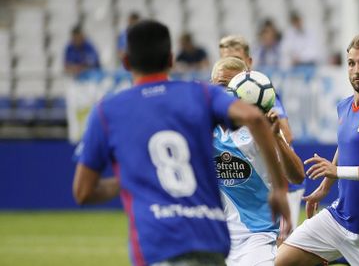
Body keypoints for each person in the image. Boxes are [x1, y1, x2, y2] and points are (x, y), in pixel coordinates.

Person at [72, 20, 291, 266]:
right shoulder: (201, 95)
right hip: (208, 237)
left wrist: (135, 178)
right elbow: (254, 118)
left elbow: (83, 192)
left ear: (125, 61)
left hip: (156, 243)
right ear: (171, 59)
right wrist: (280, 191)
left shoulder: (107, 111)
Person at [275, 34, 359, 266]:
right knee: (281, 261)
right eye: (351, 63)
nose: (357, 69)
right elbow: (345, 146)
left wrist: (337, 173)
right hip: (340, 218)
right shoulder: (345, 106)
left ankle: (341, 258)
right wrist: (325, 187)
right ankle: (337, 255)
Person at [210, 57, 304, 266]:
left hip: (257, 235)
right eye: (220, 86)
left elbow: (297, 176)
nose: (226, 92)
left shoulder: (262, 128)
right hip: (217, 235)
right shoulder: (206, 127)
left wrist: (277, 138)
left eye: (231, 86)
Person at [218, 34, 306, 234]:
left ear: (248, 63)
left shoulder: (261, 94)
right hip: (247, 192)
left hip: (280, 182)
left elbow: (287, 136)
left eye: (237, 60)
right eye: (224, 59)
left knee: (283, 248)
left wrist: (264, 129)